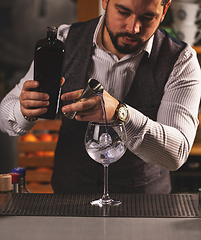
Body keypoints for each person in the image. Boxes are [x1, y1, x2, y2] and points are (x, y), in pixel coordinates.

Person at [0, 0, 201, 194]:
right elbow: (5, 114)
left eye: (148, 17)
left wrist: (121, 114)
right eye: (123, 12)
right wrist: (24, 109)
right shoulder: (64, 40)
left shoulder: (181, 60)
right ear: (105, 1)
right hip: (69, 202)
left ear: (164, 11)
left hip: (143, 207)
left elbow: (177, 154)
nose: (133, 28)